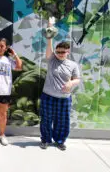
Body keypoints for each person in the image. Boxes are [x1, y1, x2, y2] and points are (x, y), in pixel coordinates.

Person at [39, 22, 81, 151]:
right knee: (46, 120)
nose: (60, 54)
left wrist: (71, 83)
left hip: (64, 98)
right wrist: (50, 30)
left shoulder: (73, 65)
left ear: (67, 52)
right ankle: (45, 140)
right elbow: (49, 46)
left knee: (62, 121)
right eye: (58, 52)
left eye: (62, 52)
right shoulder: (51, 59)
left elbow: (77, 79)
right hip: (48, 96)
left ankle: (60, 141)